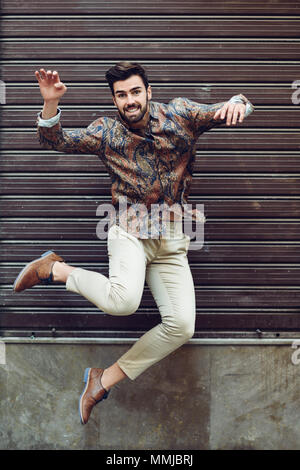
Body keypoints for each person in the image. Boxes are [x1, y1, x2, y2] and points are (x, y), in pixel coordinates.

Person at [13, 62, 254, 424]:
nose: (130, 101)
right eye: (121, 95)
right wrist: (49, 105)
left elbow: (230, 107)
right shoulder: (106, 131)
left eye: (135, 92)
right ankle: (56, 269)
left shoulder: (181, 114)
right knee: (123, 301)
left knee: (182, 326)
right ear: (115, 99)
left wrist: (239, 103)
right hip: (129, 231)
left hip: (172, 239)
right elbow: (54, 141)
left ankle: (102, 380)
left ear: (149, 91)